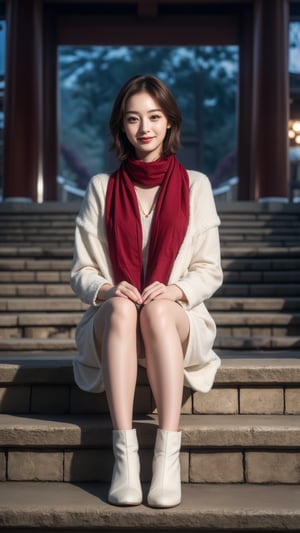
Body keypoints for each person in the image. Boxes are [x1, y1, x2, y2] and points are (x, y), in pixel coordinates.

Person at [70, 74, 223, 508]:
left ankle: (167, 457)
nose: (145, 128)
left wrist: (175, 290)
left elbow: (209, 270)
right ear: (122, 127)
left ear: (170, 123)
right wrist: (107, 288)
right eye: (133, 119)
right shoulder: (102, 187)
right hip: (115, 322)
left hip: (172, 321)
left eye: (154, 117)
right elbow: (80, 271)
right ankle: (125, 457)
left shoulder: (196, 185)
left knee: (155, 309)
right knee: (121, 306)